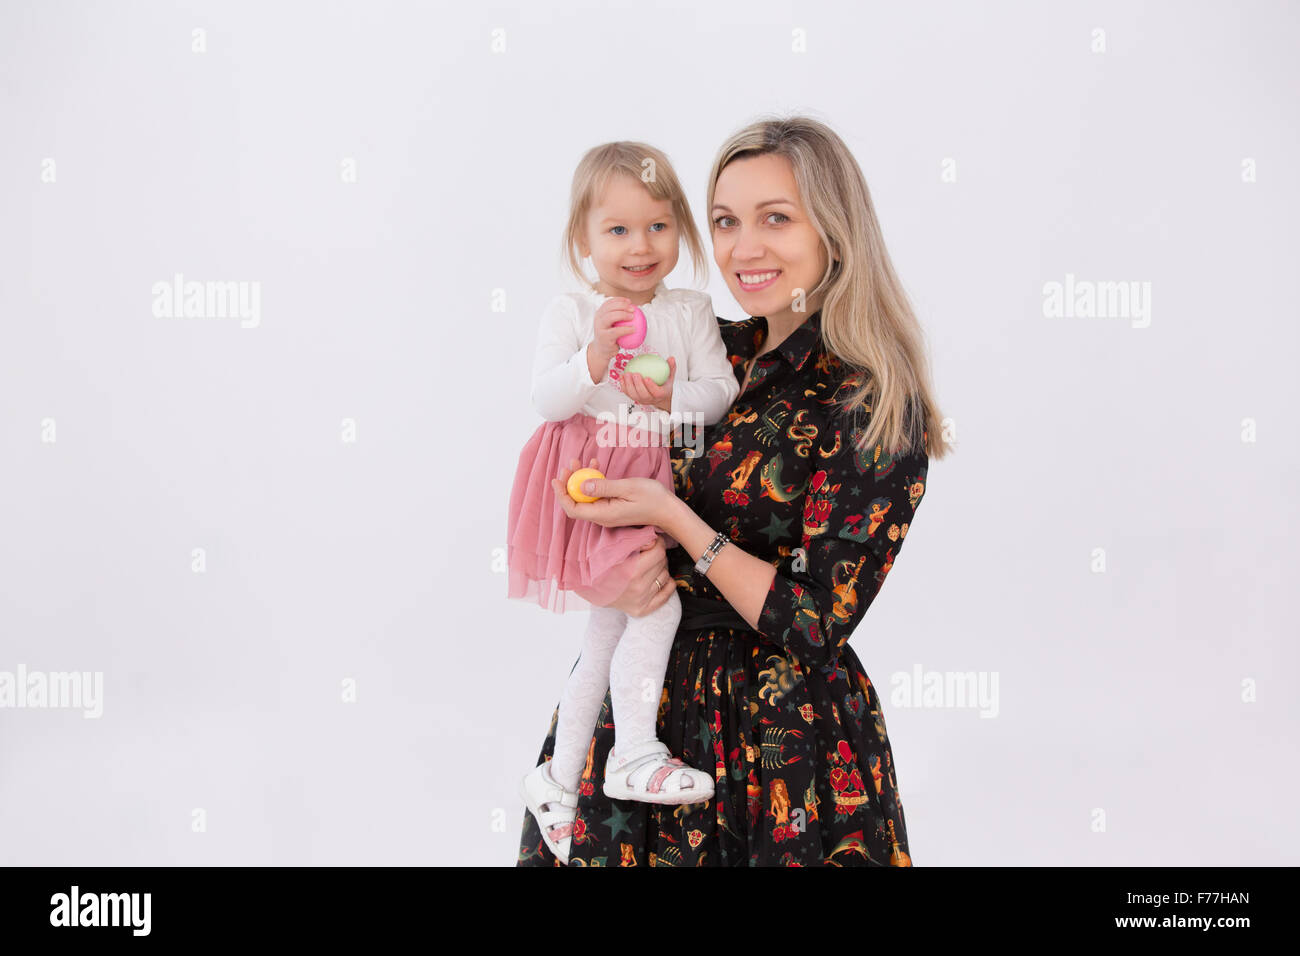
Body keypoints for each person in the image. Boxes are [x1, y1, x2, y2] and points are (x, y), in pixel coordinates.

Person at [516, 115, 951, 867]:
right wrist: (577, 497)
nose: (743, 249)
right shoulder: (710, 347)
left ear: (835, 231)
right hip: (637, 720)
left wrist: (675, 521)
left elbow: (815, 622)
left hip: (775, 740)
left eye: (775, 219)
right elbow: (576, 413)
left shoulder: (870, 403)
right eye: (724, 221)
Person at [509, 141, 742, 864]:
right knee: (657, 607)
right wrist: (592, 360)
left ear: (681, 231)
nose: (640, 246)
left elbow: (720, 396)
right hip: (590, 484)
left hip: (651, 480)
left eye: (658, 227)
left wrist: (673, 397)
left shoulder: (691, 309)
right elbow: (545, 396)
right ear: (583, 239)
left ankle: (556, 779)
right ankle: (632, 753)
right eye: (617, 230)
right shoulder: (575, 311)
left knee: (607, 636)